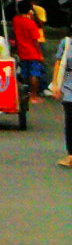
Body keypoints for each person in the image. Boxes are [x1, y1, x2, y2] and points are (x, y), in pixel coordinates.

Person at [10, 0, 46, 98]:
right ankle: (33, 95)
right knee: (34, 73)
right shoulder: (31, 23)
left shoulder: (16, 20)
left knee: (25, 73)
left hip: (22, 50)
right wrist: (40, 54)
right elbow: (36, 40)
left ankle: (25, 93)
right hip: (33, 52)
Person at [54, 32, 71, 169]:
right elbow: (58, 63)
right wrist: (55, 84)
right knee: (70, 122)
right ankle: (71, 155)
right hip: (69, 87)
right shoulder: (66, 43)